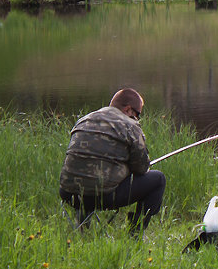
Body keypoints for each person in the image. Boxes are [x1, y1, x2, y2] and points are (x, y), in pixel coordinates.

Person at [58, 87, 166, 231]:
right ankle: (136, 233)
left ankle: (82, 227)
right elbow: (141, 168)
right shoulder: (130, 125)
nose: (138, 118)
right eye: (137, 114)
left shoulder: (84, 120)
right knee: (158, 179)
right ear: (128, 109)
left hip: (68, 194)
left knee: (90, 178)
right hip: (103, 197)